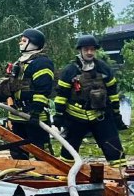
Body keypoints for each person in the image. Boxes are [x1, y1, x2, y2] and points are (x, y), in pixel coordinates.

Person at [53, 35, 127, 167]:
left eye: (92, 49)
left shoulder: (103, 69)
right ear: (80, 50)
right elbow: (61, 95)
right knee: (68, 151)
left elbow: (113, 93)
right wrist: (58, 115)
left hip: (101, 116)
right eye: (86, 49)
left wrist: (116, 114)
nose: (89, 52)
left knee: (114, 149)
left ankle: (122, 179)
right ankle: (64, 177)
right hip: (75, 118)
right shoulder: (70, 71)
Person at [0, 29, 55, 159]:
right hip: (17, 116)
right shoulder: (20, 62)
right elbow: (12, 86)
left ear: (34, 43)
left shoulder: (42, 63)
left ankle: (48, 175)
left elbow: (43, 91)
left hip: (34, 117)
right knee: (17, 151)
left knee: (41, 152)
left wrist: (35, 112)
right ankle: (22, 175)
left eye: (24, 40)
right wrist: (0, 95)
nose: (20, 43)